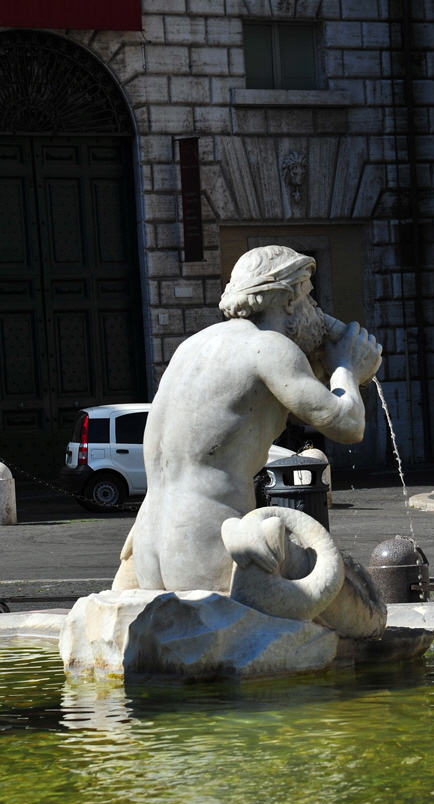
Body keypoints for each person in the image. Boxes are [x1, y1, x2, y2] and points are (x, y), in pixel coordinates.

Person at [117, 245, 382, 593]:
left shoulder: (194, 346)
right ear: (289, 299)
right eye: (310, 297)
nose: (316, 309)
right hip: (212, 542)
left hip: (150, 545)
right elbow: (348, 425)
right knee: (352, 593)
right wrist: (347, 365)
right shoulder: (269, 348)